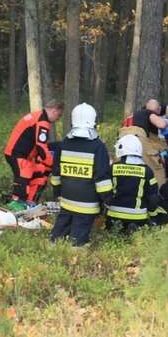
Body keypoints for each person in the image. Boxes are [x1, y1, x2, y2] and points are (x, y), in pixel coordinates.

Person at [49, 103, 112, 246]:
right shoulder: (98, 146)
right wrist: (107, 200)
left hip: (66, 200)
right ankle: (76, 249)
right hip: (87, 205)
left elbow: (56, 174)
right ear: (93, 121)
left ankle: (53, 244)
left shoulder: (64, 144)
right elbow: (102, 178)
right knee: (78, 238)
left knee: (58, 232)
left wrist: (56, 193)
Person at [4, 100, 64, 210]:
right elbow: (41, 146)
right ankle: (17, 204)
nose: (57, 119)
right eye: (59, 116)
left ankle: (30, 203)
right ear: (55, 111)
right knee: (24, 176)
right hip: (18, 154)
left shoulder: (37, 116)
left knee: (39, 175)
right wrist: (52, 163)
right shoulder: (42, 122)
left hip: (24, 155)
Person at [106, 134, 159, 235]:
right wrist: (153, 215)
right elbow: (153, 197)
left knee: (115, 238)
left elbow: (105, 190)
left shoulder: (113, 168)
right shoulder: (147, 171)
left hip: (114, 214)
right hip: (138, 216)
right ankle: (133, 228)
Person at [118, 98, 168, 186]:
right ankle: (159, 193)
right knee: (157, 169)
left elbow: (152, 140)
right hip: (138, 140)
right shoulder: (149, 113)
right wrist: (165, 122)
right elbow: (161, 125)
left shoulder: (132, 117)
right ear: (159, 109)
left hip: (122, 145)